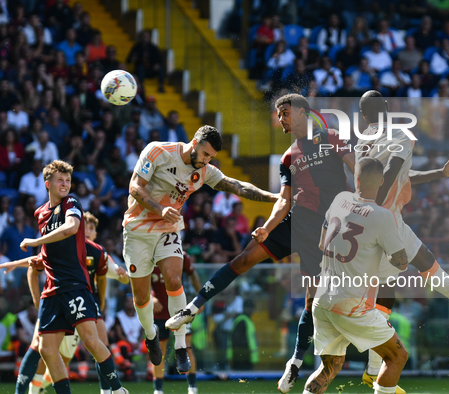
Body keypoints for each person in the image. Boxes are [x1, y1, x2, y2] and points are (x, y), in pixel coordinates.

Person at [165, 94, 355, 394]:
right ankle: (192, 308)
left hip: (327, 230)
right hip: (295, 223)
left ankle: (294, 362)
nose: (280, 118)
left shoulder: (332, 139)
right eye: (278, 114)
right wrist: (266, 228)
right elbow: (284, 199)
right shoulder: (288, 156)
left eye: (285, 112)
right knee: (243, 259)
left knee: (311, 302)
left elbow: (357, 171)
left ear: (303, 112)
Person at [355, 91, 449, 390]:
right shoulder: (399, 134)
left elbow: (400, 176)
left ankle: (373, 370)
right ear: (387, 108)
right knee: (423, 264)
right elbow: (392, 173)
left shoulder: (362, 142)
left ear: (363, 117)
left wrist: (440, 172)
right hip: (384, 219)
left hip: (367, 220)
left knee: (384, 294)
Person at [123, 125, 276, 373]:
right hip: (137, 229)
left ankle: (181, 345)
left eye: (211, 158)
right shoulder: (158, 151)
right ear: (194, 142)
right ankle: (150, 335)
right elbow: (134, 187)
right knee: (141, 297)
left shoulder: (204, 171)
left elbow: (237, 186)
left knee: (174, 279)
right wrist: (160, 209)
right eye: (204, 154)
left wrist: (274, 197)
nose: (206, 161)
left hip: (168, 229)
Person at [17, 160, 128, 394]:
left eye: (68, 180)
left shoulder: (72, 203)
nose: (65, 184)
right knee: (46, 349)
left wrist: (36, 242)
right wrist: (24, 261)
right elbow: (48, 253)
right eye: (60, 180)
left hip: (74, 284)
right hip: (51, 289)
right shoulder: (40, 213)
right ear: (47, 183)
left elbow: (70, 228)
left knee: (90, 340)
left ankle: (117, 390)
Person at [305, 157, 409, 394]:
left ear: (356, 178)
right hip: (351, 305)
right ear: (382, 182)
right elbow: (401, 262)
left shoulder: (340, 199)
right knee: (397, 356)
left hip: (323, 299)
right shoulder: (382, 216)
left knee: (329, 368)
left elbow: (322, 244)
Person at [151, 252, 201, 394]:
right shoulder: (149, 255)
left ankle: (192, 387)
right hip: (159, 312)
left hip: (180, 311)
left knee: (187, 347)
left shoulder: (182, 255)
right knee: (159, 351)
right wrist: (150, 298)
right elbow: (140, 281)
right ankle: (158, 390)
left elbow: (192, 274)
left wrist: (200, 297)